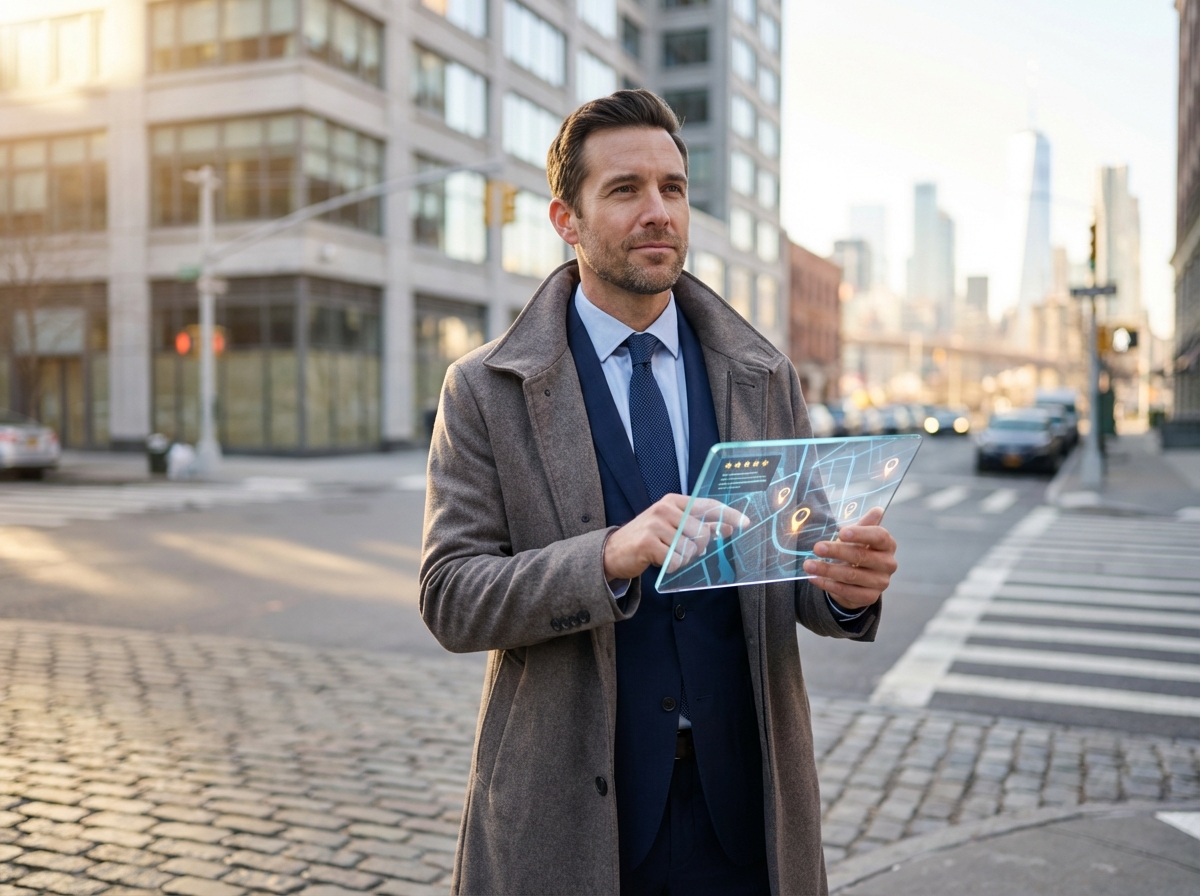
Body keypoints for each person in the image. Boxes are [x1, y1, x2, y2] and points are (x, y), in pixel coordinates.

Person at [420, 90, 898, 896]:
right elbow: (451, 596)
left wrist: (845, 588)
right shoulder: (484, 389)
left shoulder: (762, 376)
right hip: (572, 818)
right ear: (566, 221)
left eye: (672, 188)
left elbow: (799, 562)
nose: (658, 212)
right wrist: (607, 555)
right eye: (624, 190)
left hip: (742, 819)